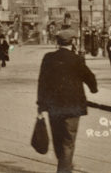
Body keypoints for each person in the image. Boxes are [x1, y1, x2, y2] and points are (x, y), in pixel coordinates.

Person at [37, 30, 98, 173]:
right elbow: (89, 77)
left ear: (57, 42)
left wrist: (41, 105)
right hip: (72, 107)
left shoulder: (48, 58)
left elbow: (42, 82)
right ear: (73, 42)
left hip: (54, 107)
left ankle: (65, 165)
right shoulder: (77, 59)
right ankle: (64, 169)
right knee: (68, 141)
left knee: (58, 139)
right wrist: (93, 89)